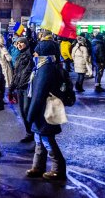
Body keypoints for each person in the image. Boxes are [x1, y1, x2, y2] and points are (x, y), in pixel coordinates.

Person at [26, 36, 66, 181]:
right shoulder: (47, 66)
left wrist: (29, 116)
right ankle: (38, 166)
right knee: (39, 139)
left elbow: (38, 95)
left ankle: (58, 169)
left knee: (47, 139)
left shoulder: (45, 69)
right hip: (42, 111)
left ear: (44, 53)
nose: (34, 54)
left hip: (43, 112)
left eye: (37, 52)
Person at [9, 37, 35, 143]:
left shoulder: (31, 54)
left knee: (27, 110)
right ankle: (29, 132)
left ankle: (33, 132)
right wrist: (11, 88)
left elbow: (30, 71)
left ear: (26, 43)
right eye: (17, 43)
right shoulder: (19, 56)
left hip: (27, 88)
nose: (19, 45)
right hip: (19, 87)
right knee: (23, 112)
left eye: (21, 43)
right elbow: (16, 73)